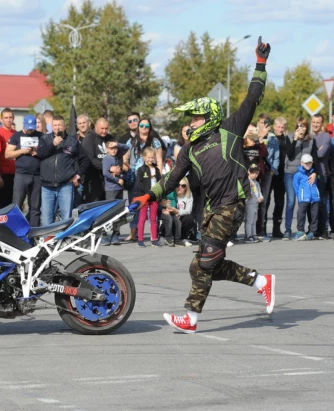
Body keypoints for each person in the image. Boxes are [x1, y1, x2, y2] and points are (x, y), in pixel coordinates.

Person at [133, 37, 275, 333]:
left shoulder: (230, 129)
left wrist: (260, 64)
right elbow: (172, 178)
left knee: (206, 261)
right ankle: (261, 281)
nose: (191, 123)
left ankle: (191, 319)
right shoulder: (188, 149)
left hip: (233, 205)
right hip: (212, 210)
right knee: (201, 265)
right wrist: (149, 195)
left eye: (195, 118)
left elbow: (252, 98)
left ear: (208, 118)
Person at [38, 116, 89, 226]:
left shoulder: (72, 141)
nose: (57, 128)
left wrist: (78, 175)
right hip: (47, 186)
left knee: (66, 218)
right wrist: (53, 144)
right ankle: (49, 241)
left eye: (60, 125)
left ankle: (65, 241)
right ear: (51, 127)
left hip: (65, 185)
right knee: (47, 218)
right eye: (55, 125)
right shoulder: (44, 139)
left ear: (64, 126)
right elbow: (40, 154)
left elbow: (85, 159)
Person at [122, 117, 163, 242]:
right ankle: (133, 233)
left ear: (150, 127)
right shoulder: (132, 141)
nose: (144, 128)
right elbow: (125, 158)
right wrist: (129, 168)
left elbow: (160, 160)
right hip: (135, 178)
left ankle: (153, 234)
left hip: (151, 178)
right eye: (142, 126)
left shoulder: (155, 141)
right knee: (135, 205)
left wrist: (159, 176)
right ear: (138, 127)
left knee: (152, 206)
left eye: (146, 126)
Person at [283, 117, 319, 240]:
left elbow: (315, 158)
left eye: (303, 126)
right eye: (299, 126)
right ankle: (288, 230)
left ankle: (308, 230)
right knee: (291, 201)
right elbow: (290, 154)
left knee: (305, 202)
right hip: (291, 173)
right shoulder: (290, 137)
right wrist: (295, 139)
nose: (301, 128)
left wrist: (315, 173)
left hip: (306, 174)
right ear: (296, 127)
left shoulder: (311, 140)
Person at [5, 115, 42, 226]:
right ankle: (14, 230)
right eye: (28, 127)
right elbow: (7, 154)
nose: (30, 130)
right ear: (23, 125)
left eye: (32, 127)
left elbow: (48, 152)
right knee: (16, 204)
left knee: (35, 207)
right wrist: (21, 151)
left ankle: (34, 230)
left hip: (37, 175)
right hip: (21, 175)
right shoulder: (16, 136)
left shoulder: (41, 136)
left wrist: (39, 153)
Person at [242, 120, 270, 242]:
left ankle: (257, 231)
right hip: (244, 179)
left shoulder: (258, 144)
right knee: (243, 208)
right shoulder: (241, 144)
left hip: (257, 178)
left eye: (254, 130)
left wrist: (261, 139)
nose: (253, 133)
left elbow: (265, 154)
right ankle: (245, 233)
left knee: (257, 206)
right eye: (250, 130)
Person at [101, 139, 129, 245]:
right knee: (109, 213)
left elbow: (126, 147)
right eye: (111, 148)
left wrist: (117, 143)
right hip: (111, 189)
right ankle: (105, 235)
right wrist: (118, 180)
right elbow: (105, 173)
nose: (113, 150)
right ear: (107, 149)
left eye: (115, 148)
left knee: (119, 213)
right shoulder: (106, 159)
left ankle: (115, 235)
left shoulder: (119, 155)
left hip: (119, 189)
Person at [82, 117, 116, 203]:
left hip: (109, 180)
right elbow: (90, 159)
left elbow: (117, 154)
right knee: (95, 205)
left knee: (109, 205)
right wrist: (108, 168)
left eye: (106, 129)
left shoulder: (110, 138)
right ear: (96, 127)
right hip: (93, 178)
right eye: (102, 128)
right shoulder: (89, 139)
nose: (104, 131)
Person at [311, 114, 332, 239]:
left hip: (321, 174)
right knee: (312, 203)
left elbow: (319, 154)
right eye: (313, 122)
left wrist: (313, 151)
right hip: (309, 175)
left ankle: (323, 230)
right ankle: (314, 229)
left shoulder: (325, 137)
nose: (315, 124)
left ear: (322, 123)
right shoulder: (310, 137)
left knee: (321, 203)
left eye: (318, 122)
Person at [136, 147, 161, 247]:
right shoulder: (141, 170)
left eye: (152, 157)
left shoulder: (156, 169)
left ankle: (154, 238)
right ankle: (140, 239)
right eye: (148, 157)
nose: (150, 160)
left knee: (153, 218)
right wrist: (147, 194)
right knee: (142, 218)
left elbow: (159, 182)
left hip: (154, 197)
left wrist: (158, 194)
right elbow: (139, 184)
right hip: (144, 197)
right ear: (144, 157)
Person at [265, 116, 285, 238]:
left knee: (279, 202)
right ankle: (262, 228)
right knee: (266, 201)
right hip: (269, 171)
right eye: (278, 126)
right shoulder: (269, 137)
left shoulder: (286, 139)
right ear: (274, 127)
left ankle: (276, 229)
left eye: (283, 127)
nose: (281, 129)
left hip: (281, 173)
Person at [292, 154, 320, 241]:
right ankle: (300, 231)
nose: (308, 165)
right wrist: (300, 195)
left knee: (314, 215)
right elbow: (296, 186)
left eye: (310, 163)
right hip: (304, 197)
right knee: (301, 213)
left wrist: (316, 174)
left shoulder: (314, 173)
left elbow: (319, 180)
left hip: (314, 198)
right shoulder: (298, 175)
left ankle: (312, 231)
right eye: (306, 163)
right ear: (302, 163)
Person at [164, 177, 194, 247]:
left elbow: (188, 211)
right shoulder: (171, 195)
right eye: (178, 185)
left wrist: (177, 211)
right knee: (168, 217)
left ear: (186, 187)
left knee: (189, 218)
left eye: (183, 186)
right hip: (171, 218)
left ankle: (182, 237)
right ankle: (165, 236)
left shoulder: (189, 196)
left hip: (181, 218)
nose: (180, 187)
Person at [0, 108, 16, 208]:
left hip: (16, 173)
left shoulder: (16, 133)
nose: (8, 120)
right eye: (6, 118)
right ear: (1, 119)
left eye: (10, 117)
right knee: (4, 202)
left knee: (14, 202)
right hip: (4, 172)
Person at [74, 114, 92, 206]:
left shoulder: (95, 137)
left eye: (84, 123)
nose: (82, 125)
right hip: (79, 178)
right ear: (77, 125)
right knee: (77, 206)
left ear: (89, 123)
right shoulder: (73, 139)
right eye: (80, 123)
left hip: (93, 177)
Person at [245, 164, 263, 244]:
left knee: (254, 220)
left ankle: (254, 234)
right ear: (248, 172)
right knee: (249, 220)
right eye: (253, 173)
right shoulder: (247, 182)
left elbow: (259, 192)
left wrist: (261, 197)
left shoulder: (256, 183)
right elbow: (245, 193)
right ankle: (249, 236)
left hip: (255, 204)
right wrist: (248, 195)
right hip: (249, 204)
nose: (254, 175)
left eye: (256, 173)